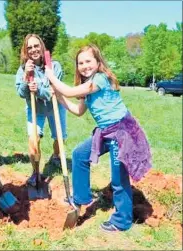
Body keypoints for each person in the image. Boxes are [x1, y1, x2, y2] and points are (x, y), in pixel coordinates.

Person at [45, 44, 152, 232]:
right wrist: (59, 97)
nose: (84, 66)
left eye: (88, 61)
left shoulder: (100, 79)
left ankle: (122, 221)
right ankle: (79, 198)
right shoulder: (87, 87)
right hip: (105, 132)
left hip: (121, 132)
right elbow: (78, 111)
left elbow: (70, 91)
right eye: (80, 63)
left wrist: (52, 77)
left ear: (97, 62)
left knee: (119, 179)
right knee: (79, 154)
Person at [15, 34, 67, 186]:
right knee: (33, 139)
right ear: (26, 50)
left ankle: (56, 156)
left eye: (36, 46)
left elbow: (52, 93)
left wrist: (38, 90)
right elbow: (21, 93)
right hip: (35, 109)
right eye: (29, 47)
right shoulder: (23, 68)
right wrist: (26, 78)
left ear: (42, 46)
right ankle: (35, 171)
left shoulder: (54, 66)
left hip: (54, 107)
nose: (33, 50)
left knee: (59, 137)